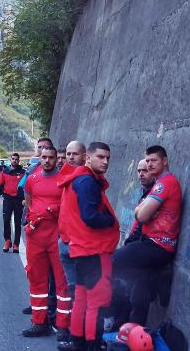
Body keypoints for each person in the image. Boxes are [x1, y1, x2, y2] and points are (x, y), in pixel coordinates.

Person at [57, 142, 120, 351]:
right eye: (101, 157)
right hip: (93, 250)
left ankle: (77, 343)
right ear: (88, 158)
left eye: (108, 158)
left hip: (80, 249)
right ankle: (91, 345)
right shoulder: (88, 182)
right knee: (97, 303)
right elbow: (90, 217)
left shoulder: (78, 179)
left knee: (81, 300)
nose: (105, 161)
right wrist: (110, 220)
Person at [111, 146, 181, 326]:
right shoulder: (159, 183)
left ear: (165, 161)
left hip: (156, 246)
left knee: (111, 264)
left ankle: (157, 276)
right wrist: (141, 209)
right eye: (147, 161)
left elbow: (142, 216)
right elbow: (142, 212)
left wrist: (140, 210)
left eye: (153, 161)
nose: (149, 165)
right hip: (155, 246)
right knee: (139, 294)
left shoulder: (166, 182)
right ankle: (134, 332)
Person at [22, 147, 71, 340]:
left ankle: (63, 325)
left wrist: (53, 209)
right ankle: (39, 322)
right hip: (36, 236)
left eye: (51, 157)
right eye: (44, 157)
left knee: (62, 282)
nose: (48, 161)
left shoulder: (64, 179)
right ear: (39, 158)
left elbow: (69, 205)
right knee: (36, 279)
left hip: (58, 235)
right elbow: (28, 199)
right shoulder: (33, 179)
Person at [108, 159, 155, 328]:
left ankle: (126, 328)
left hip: (147, 250)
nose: (141, 174)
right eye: (139, 170)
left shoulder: (154, 195)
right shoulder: (146, 192)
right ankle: (121, 324)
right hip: (138, 248)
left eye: (145, 170)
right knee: (129, 290)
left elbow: (143, 226)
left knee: (136, 295)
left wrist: (128, 246)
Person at [58, 141, 86, 302]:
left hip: (79, 242)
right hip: (64, 240)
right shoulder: (65, 175)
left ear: (84, 156)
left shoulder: (85, 178)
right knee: (72, 289)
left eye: (74, 154)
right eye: (69, 154)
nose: (70, 157)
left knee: (81, 293)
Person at [0, 153, 25, 253]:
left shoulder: (23, 172)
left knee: (17, 222)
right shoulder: (5, 171)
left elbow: (27, 187)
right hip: (7, 199)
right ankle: (7, 241)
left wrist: (26, 199)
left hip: (18, 200)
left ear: (18, 160)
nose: (14, 161)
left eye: (16, 159)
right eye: (13, 159)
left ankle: (16, 244)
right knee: (6, 220)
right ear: (10, 160)